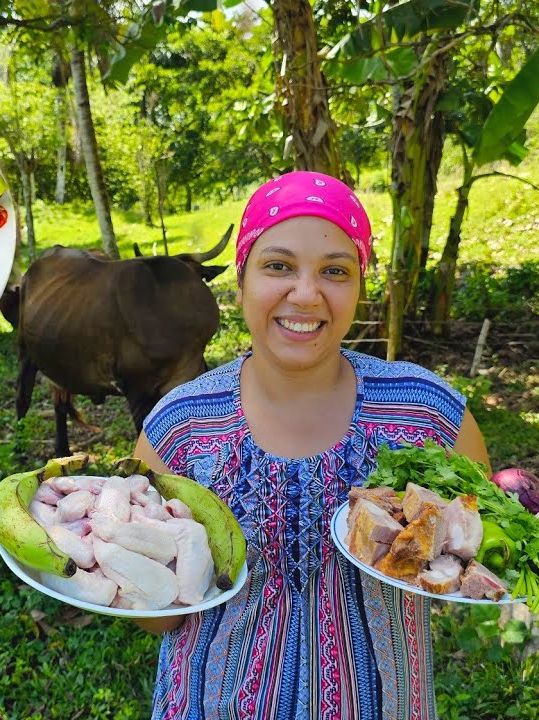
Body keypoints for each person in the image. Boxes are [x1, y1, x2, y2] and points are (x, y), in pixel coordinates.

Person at [132, 170, 489, 719]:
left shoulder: (426, 413)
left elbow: (480, 555)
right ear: (240, 281)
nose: (305, 293)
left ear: (361, 287)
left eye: (335, 271)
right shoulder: (179, 428)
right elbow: (157, 614)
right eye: (277, 266)